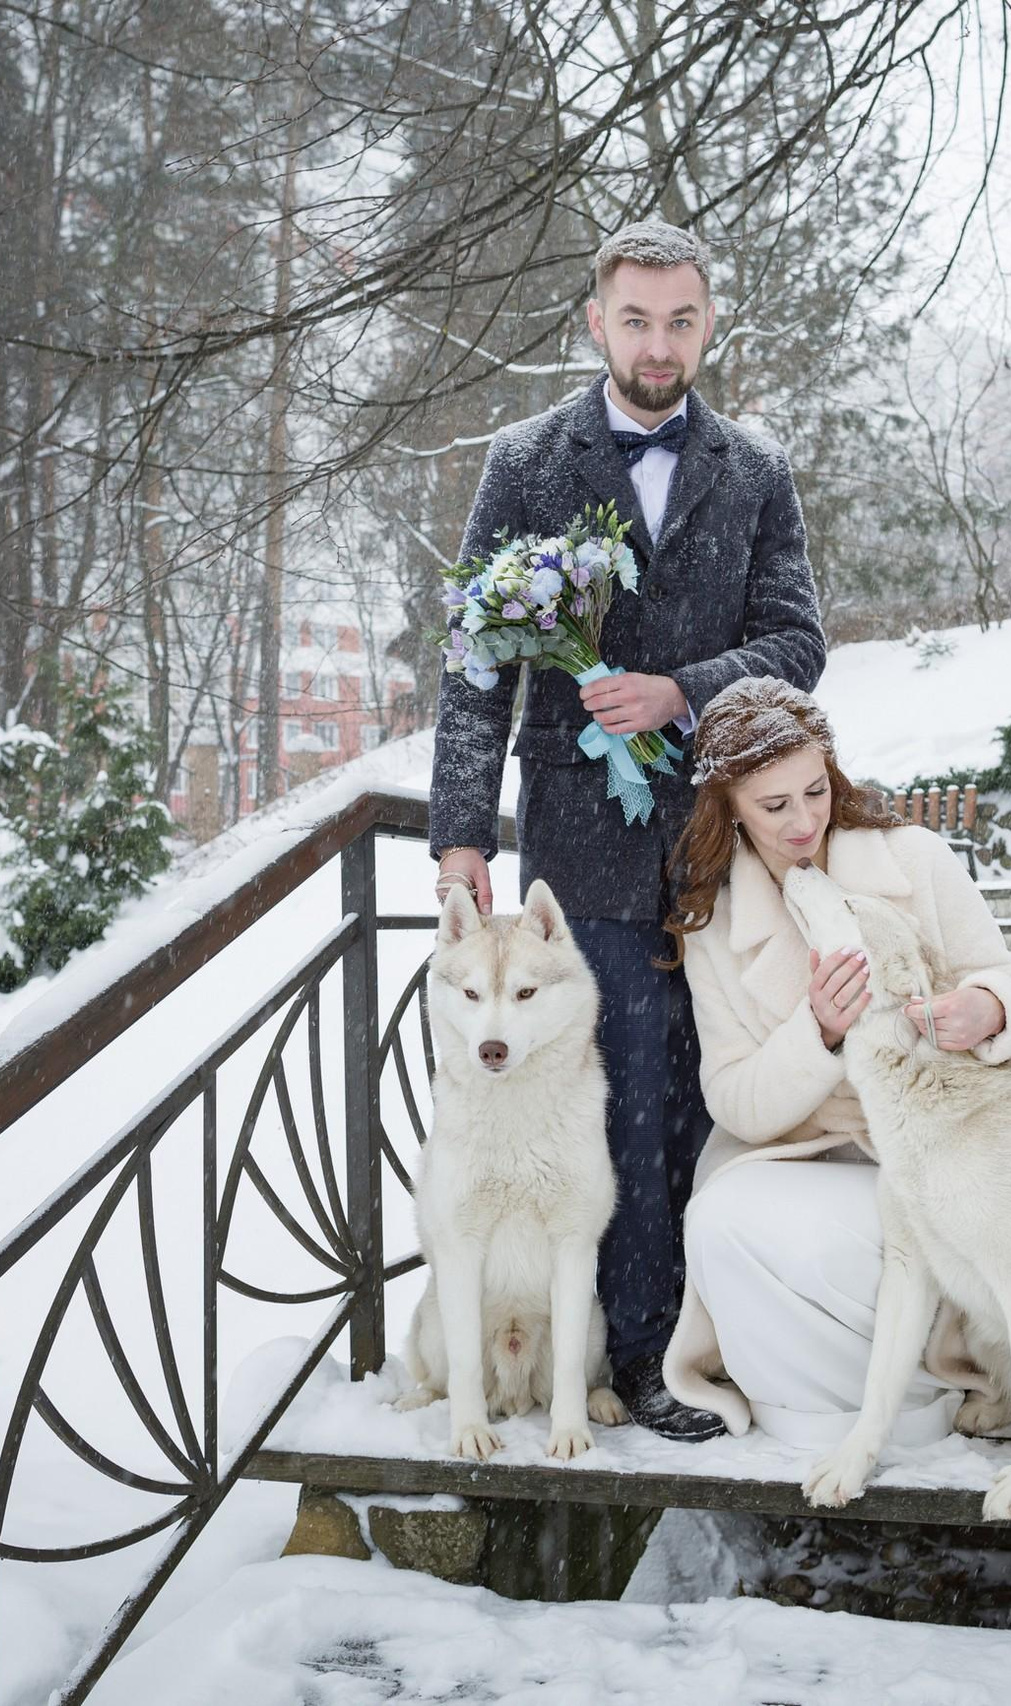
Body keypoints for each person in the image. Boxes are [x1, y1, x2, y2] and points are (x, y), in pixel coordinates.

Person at [426, 219, 826, 1441]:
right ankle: (633, 1360)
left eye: (682, 320)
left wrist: (680, 691)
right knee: (620, 1104)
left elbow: (799, 645)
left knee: (716, 1103)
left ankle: (733, 1341)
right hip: (579, 851)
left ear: (709, 324)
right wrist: (459, 834)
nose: (660, 343)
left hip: (720, 845)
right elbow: (476, 662)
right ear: (595, 322)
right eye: (636, 319)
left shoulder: (754, 470)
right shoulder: (525, 460)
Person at [656, 677, 1011, 1447]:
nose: (803, 821)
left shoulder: (914, 859)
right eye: (774, 806)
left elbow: (1009, 982)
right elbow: (733, 1100)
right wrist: (818, 1034)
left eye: (815, 792)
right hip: (800, 1153)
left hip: (939, 1142)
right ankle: (820, 1412)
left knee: (926, 1234)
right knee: (726, 1222)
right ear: (727, 805)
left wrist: (988, 1008)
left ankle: (918, 1396)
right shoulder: (713, 921)